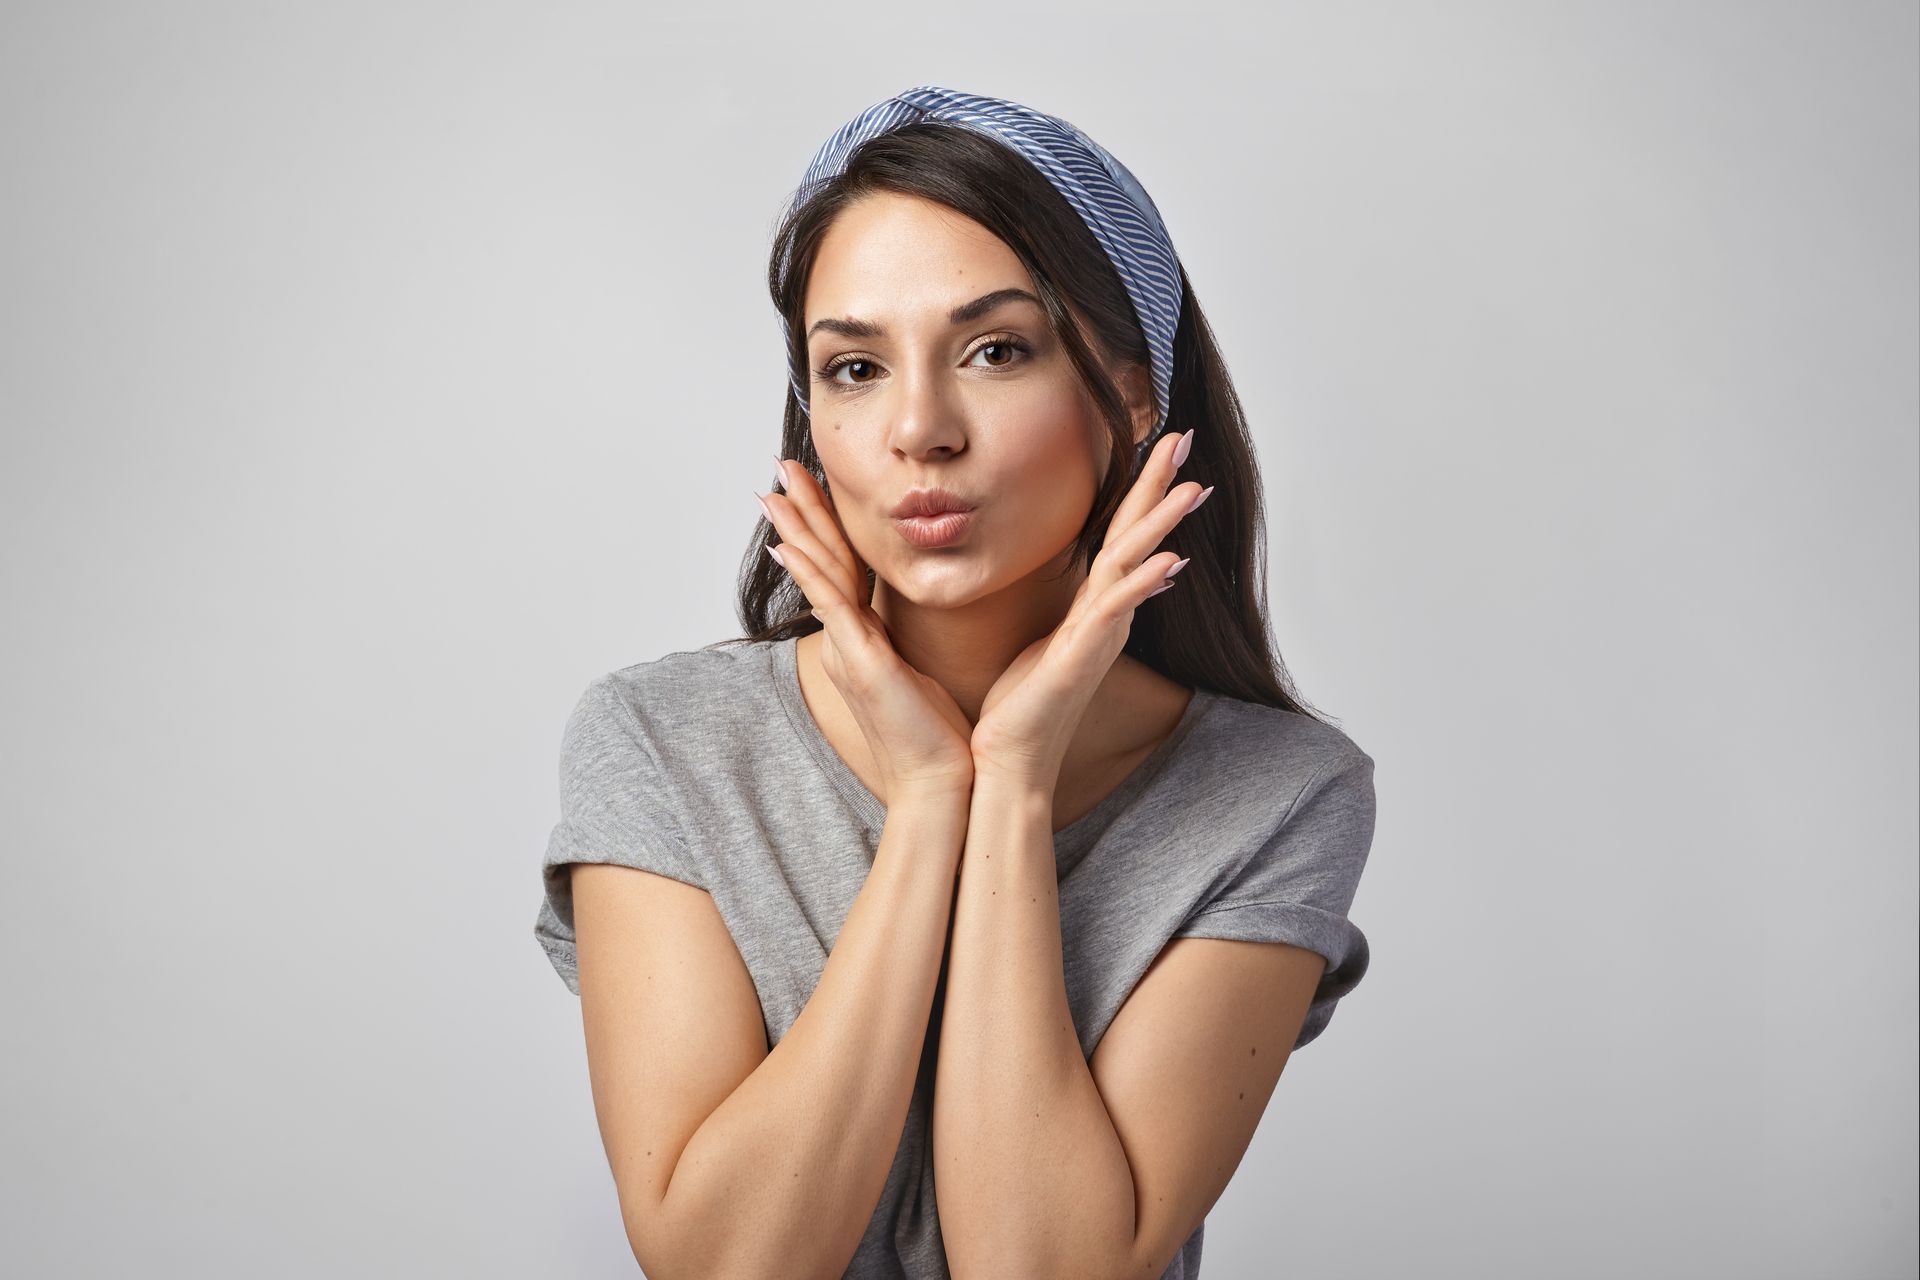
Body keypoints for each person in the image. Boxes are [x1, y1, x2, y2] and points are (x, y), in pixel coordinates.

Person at [533, 86, 1379, 1280]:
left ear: (1135, 394)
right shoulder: (663, 739)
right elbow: (725, 1264)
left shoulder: (1277, 793)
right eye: (856, 367)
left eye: (996, 349)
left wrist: (1015, 781)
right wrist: (934, 796)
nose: (919, 428)